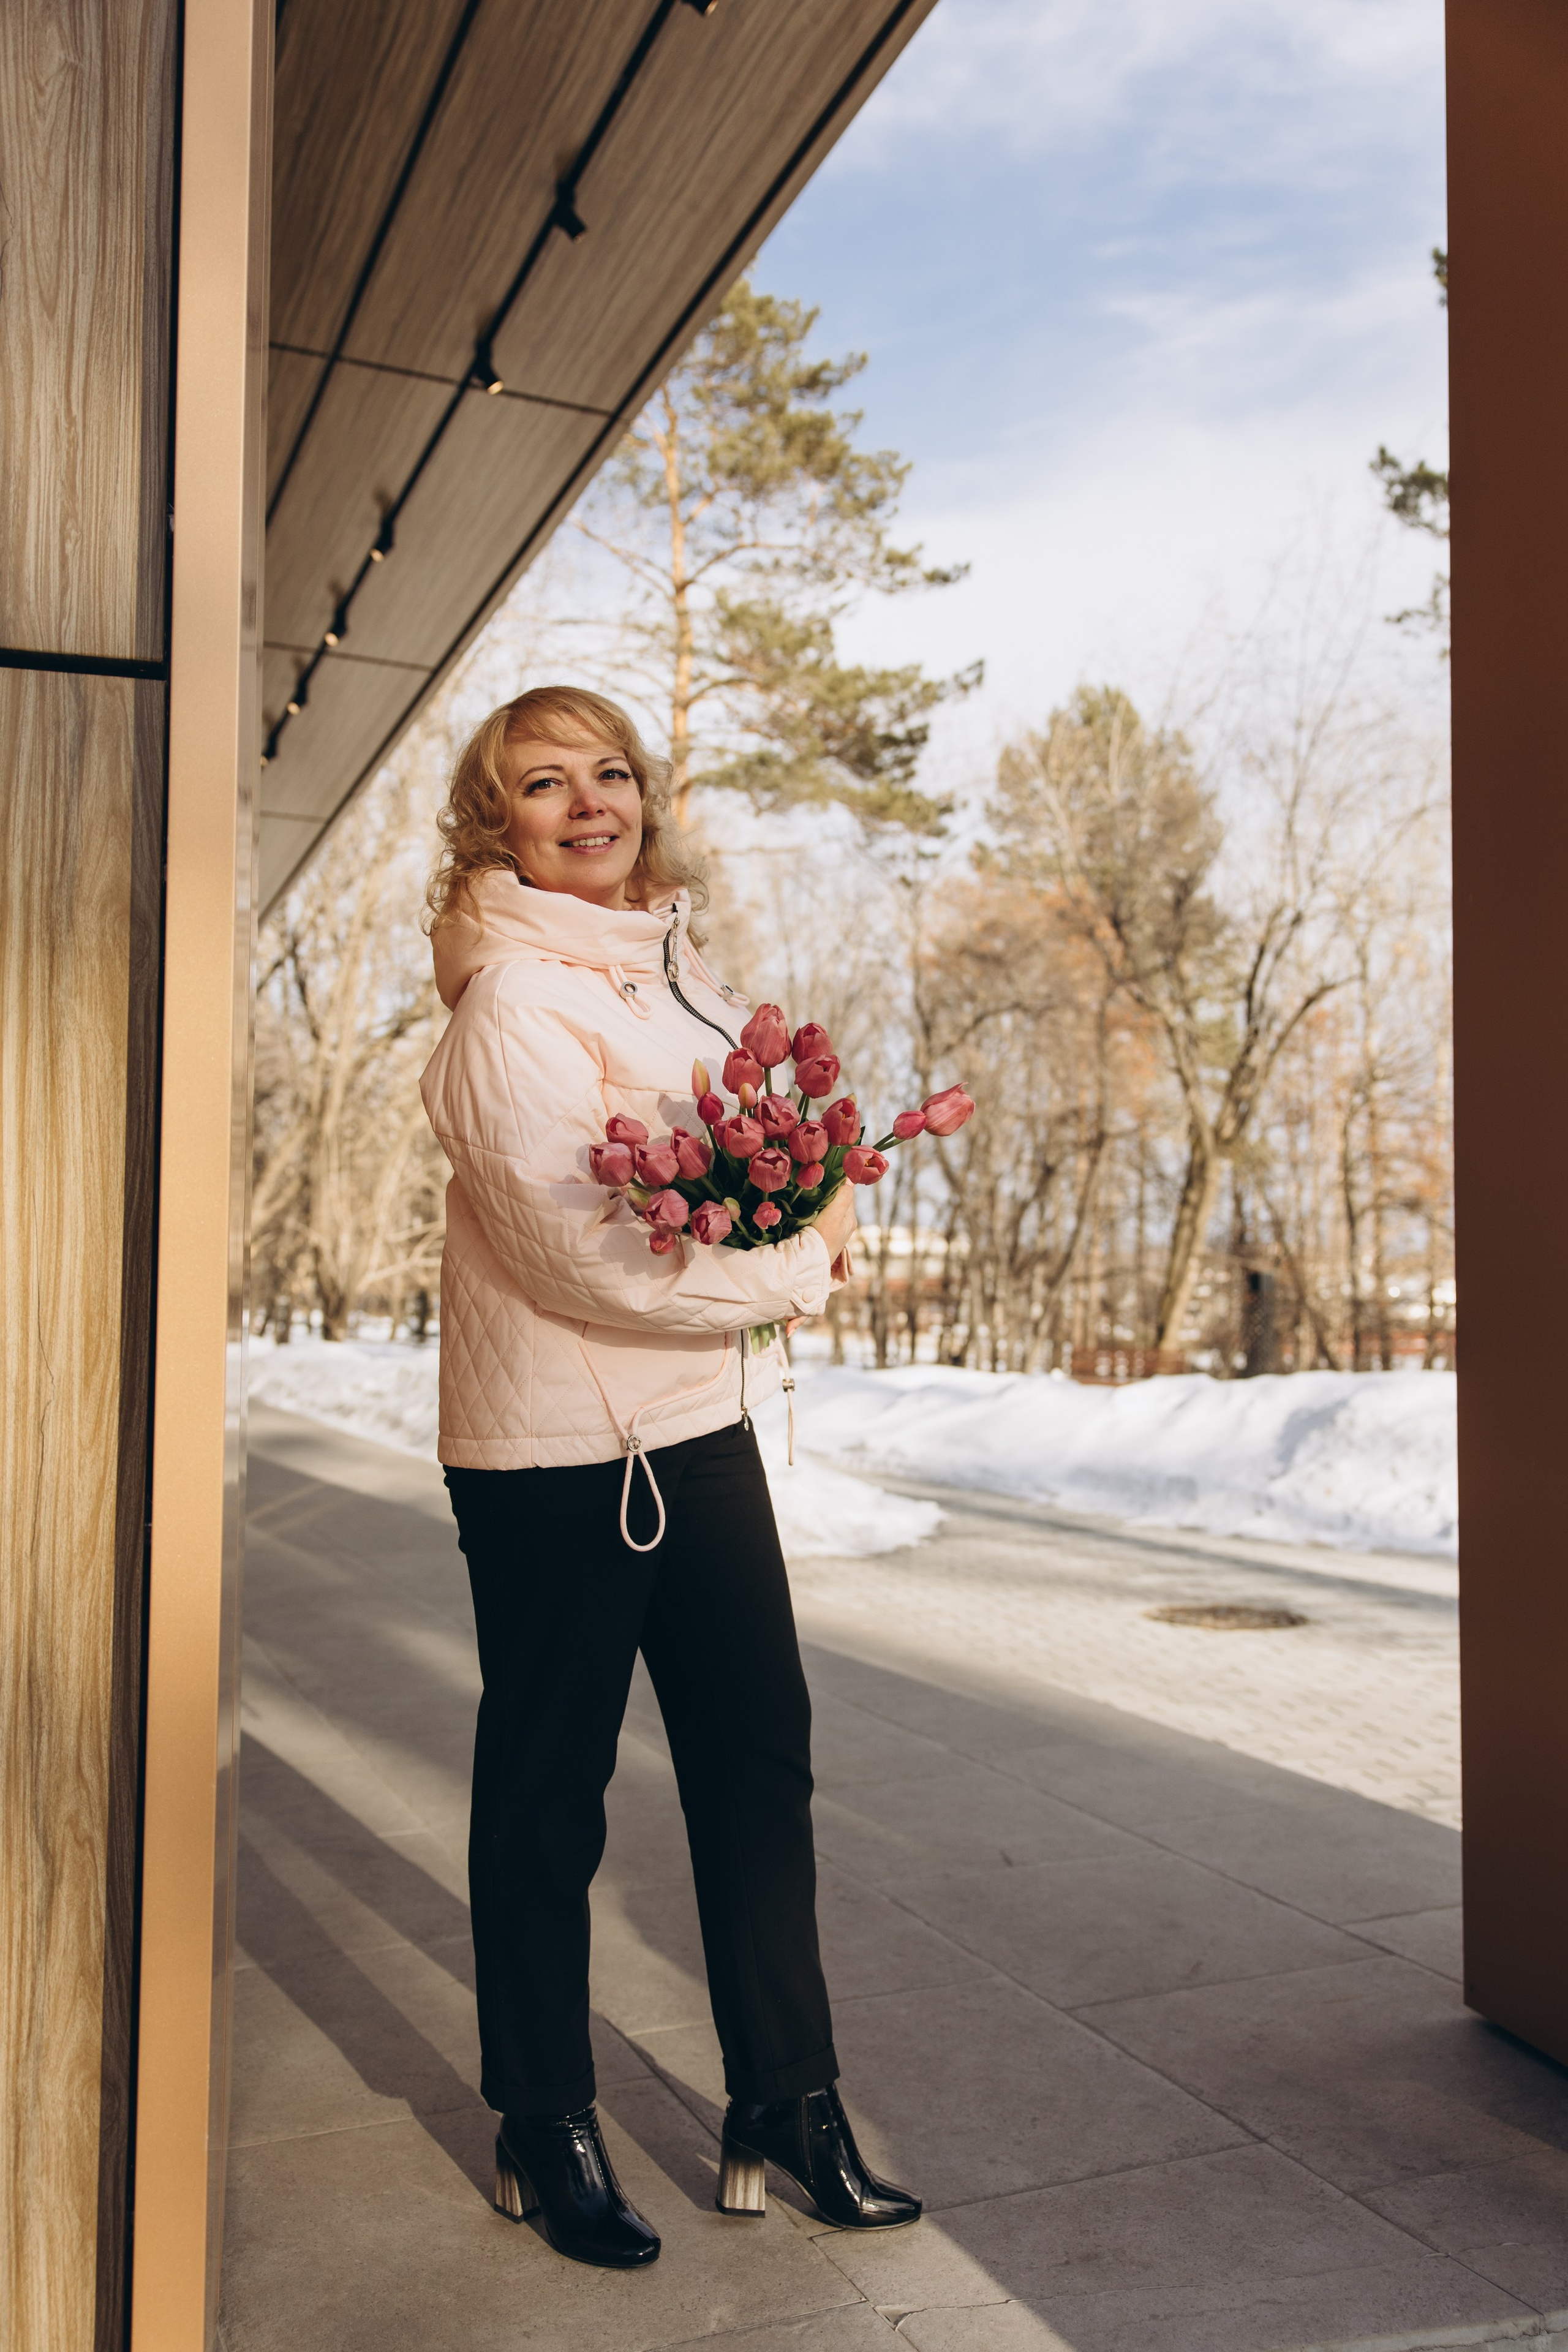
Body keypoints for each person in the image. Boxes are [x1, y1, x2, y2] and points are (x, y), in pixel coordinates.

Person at [420, 684, 920, 2269]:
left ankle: (788, 2099)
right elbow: (589, 1260)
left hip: (697, 1428)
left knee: (758, 1764)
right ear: (495, 823)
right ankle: (542, 2116)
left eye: (612, 771)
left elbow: (737, 1176)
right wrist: (805, 1266)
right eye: (544, 782)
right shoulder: (512, 1009)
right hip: (558, 1454)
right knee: (550, 1794)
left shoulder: (680, 977)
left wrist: (807, 1195)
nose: (591, 803)